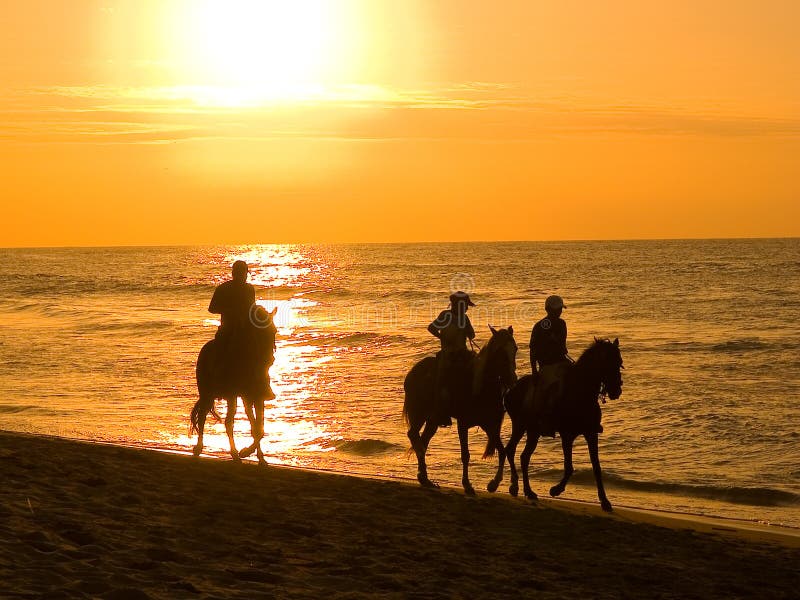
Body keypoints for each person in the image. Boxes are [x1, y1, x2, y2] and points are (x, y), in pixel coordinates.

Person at [428, 291, 476, 427]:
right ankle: (440, 411)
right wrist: (442, 337)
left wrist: (469, 333)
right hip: (448, 354)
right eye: (466, 305)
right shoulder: (445, 316)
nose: (467, 308)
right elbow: (431, 328)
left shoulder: (465, 318)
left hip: (463, 353)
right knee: (442, 378)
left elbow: (472, 334)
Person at [527, 294, 571, 436]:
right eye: (558, 309)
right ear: (550, 310)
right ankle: (546, 419)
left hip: (561, 362)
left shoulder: (560, 324)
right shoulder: (540, 326)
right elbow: (533, 350)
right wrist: (534, 370)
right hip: (547, 365)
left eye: (560, 309)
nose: (560, 312)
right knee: (549, 389)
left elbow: (562, 345)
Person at [208, 261, 257, 384]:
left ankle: (261, 383)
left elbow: (252, 308)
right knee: (220, 348)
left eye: (245, 273)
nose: (244, 276)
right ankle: (218, 376)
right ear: (235, 273)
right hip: (228, 328)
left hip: (247, 329)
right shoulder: (223, 289)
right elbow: (212, 308)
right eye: (242, 273)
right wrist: (230, 310)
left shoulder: (249, 289)